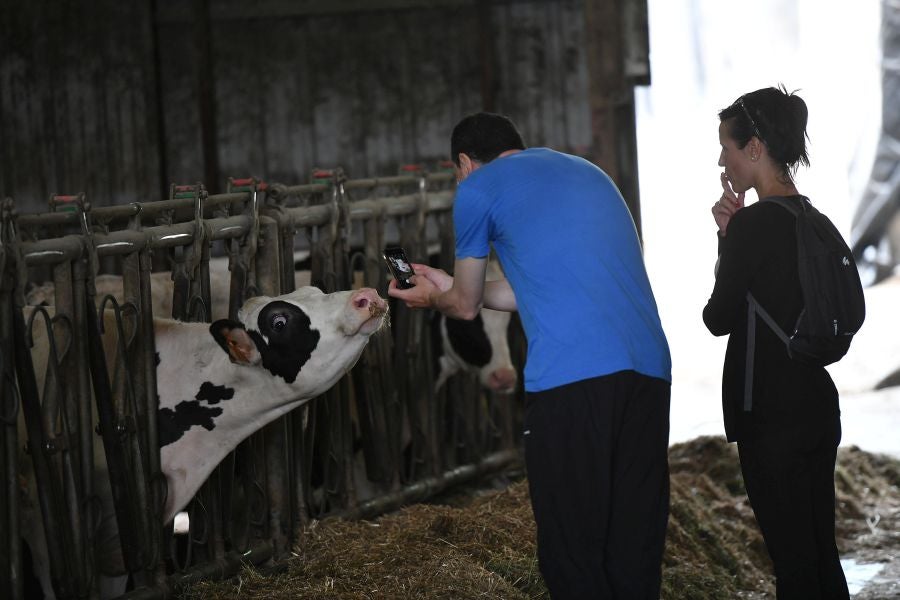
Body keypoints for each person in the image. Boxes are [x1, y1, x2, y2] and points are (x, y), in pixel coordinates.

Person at [389, 112, 672, 598]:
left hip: (572, 383)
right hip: (648, 375)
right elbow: (538, 289)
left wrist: (432, 296)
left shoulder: (478, 189)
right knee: (634, 543)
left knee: (572, 549)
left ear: (464, 163)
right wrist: (454, 286)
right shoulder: (590, 173)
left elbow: (463, 306)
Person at [703, 86, 850, 599]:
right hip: (816, 405)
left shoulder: (753, 225)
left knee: (791, 563)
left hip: (770, 415)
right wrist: (732, 231)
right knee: (820, 552)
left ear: (755, 148)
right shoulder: (813, 218)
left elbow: (717, 318)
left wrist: (728, 236)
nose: (722, 157)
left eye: (726, 145)